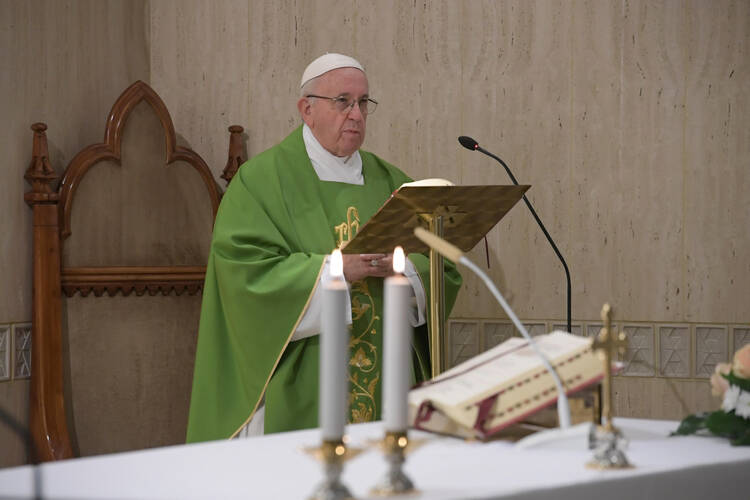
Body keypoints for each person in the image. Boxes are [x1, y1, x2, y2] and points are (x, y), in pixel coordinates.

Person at [186, 53, 462, 442]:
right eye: (343, 101)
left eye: (364, 102)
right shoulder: (261, 182)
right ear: (306, 109)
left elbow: (442, 263)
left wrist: (403, 268)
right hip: (301, 379)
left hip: (388, 379)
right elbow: (244, 275)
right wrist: (336, 270)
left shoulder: (392, 183)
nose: (356, 114)